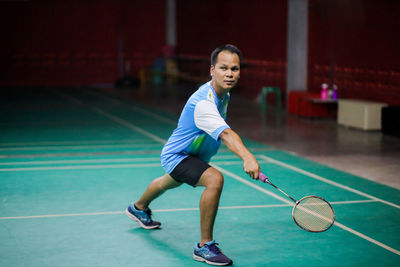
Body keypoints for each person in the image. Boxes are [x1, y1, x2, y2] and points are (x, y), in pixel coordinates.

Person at [126, 44, 261, 266]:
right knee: (214, 179)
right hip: (179, 156)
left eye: (234, 69)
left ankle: (138, 207)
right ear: (212, 70)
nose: (229, 74)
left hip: (193, 155)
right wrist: (248, 157)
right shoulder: (204, 102)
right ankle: (204, 247)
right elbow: (226, 134)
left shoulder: (223, 95)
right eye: (223, 68)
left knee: (166, 182)